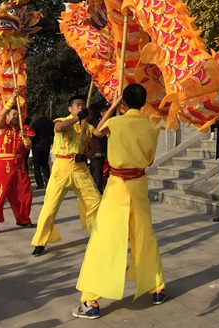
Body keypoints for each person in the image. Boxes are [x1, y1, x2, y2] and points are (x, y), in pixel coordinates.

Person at [74, 84, 167, 319]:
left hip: (118, 185)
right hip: (139, 183)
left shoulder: (115, 123)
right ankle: (157, 288)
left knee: (104, 239)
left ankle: (91, 301)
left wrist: (113, 107)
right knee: (144, 234)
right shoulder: (152, 126)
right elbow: (151, 158)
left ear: (123, 103)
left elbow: (96, 133)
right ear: (144, 102)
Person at [30, 95, 101, 257]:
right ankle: (40, 242)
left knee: (95, 201)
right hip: (61, 167)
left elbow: (93, 147)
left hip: (80, 168)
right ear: (70, 109)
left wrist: (86, 156)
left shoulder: (88, 127)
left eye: (83, 104)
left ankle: (98, 233)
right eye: (77, 105)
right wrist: (77, 118)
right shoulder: (61, 120)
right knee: (50, 206)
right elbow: (60, 128)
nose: (81, 107)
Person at [0, 90, 34, 235]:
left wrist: (25, 138)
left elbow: (28, 147)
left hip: (19, 164)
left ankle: (23, 219)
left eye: (18, 114)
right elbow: (2, 115)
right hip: (3, 164)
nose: (16, 116)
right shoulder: (2, 128)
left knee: (25, 192)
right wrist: (12, 99)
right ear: (9, 116)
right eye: (13, 114)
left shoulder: (24, 129)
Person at [29, 113, 54, 190]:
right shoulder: (50, 123)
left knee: (37, 166)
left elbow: (32, 135)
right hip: (46, 145)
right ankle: (47, 180)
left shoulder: (35, 124)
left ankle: (40, 184)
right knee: (45, 164)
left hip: (37, 145)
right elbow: (54, 133)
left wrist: (31, 144)